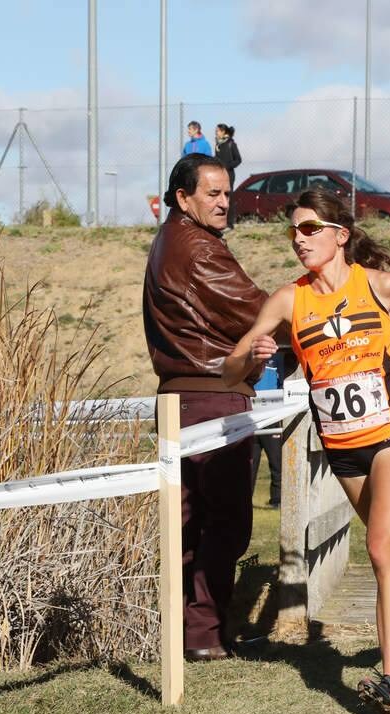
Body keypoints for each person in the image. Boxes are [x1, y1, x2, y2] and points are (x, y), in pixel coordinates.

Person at [222, 189, 390, 714]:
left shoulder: (379, 286)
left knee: (381, 549)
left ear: (339, 235)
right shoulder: (289, 300)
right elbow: (231, 368)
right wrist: (251, 355)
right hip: (344, 449)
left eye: (310, 228)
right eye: (293, 230)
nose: (299, 239)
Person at [143, 153, 268, 660]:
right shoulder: (198, 248)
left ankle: (185, 633)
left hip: (181, 395)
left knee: (189, 521)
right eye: (212, 193)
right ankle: (205, 635)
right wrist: (309, 308)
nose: (223, 201)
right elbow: (257, 309)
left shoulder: (169, 241)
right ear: (183, 198)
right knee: (225, 520)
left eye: (226, 192)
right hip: (212, 395)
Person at [251, 352, 284, 509]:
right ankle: (244, 500)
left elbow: (284, 383)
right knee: (250, 463)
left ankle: (277, 500)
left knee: (277, 462)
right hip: (250, 417)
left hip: (272, 416)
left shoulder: (279, 357)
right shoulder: (249, 354)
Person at [214, 123, 242, 229]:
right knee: (218, 197)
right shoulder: (218, 145)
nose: (216, 133)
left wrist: (227, 166)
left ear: (223, 132)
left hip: (229, 175)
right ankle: (220, 222)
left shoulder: (231, 144)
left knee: (228, 197)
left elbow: (238, 159)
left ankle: (230, 223)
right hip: (219, 174)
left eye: (217, 131)